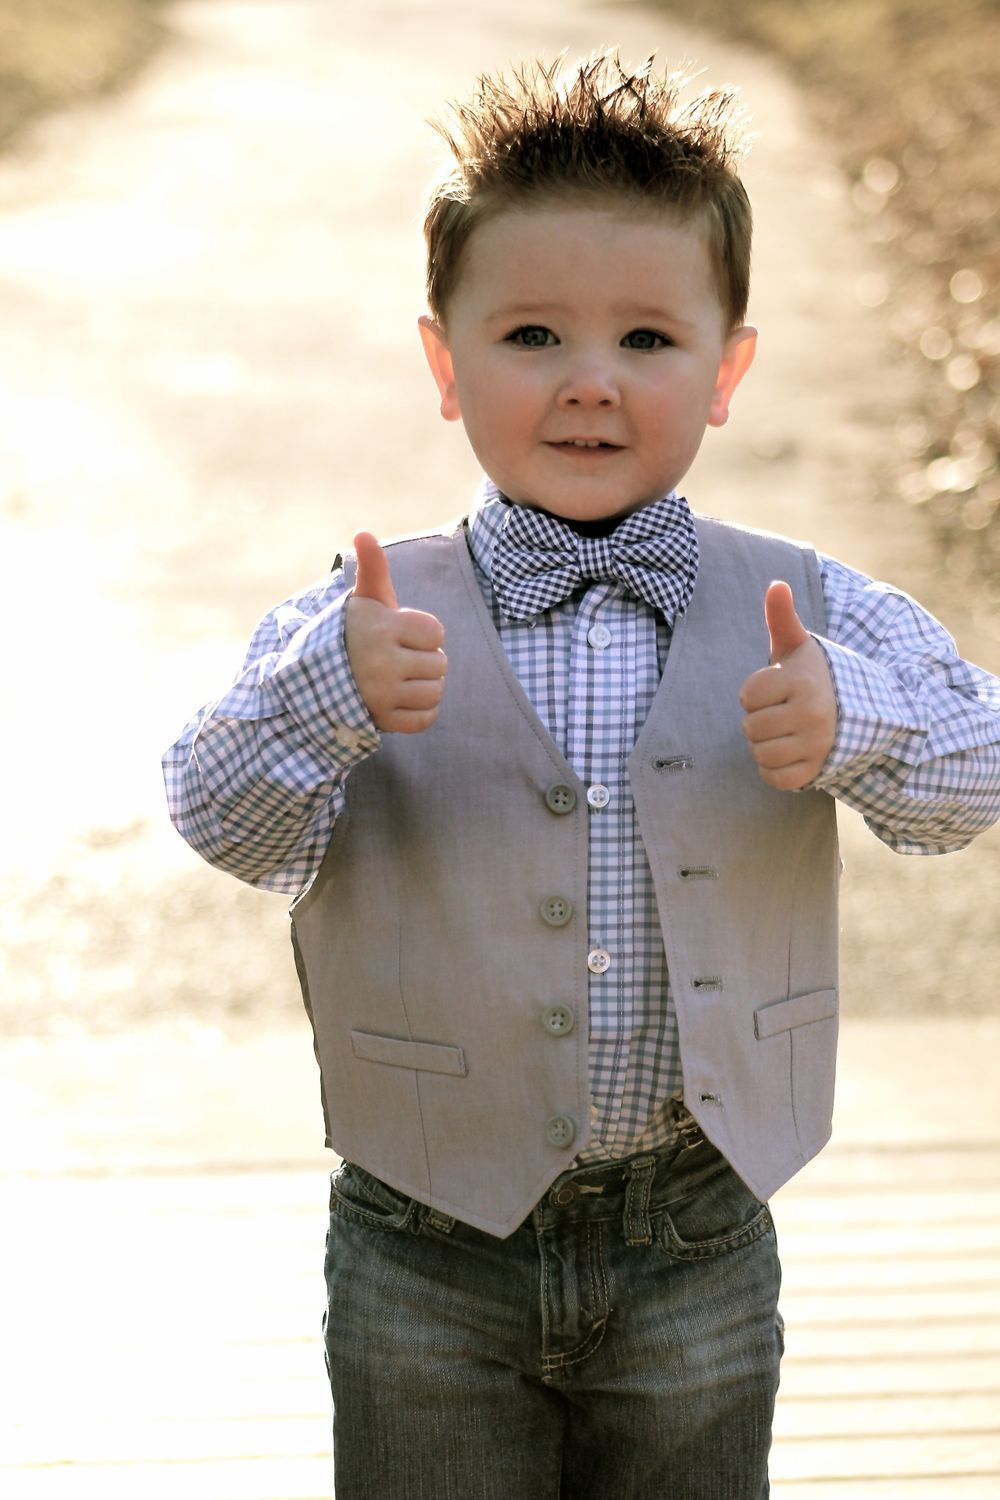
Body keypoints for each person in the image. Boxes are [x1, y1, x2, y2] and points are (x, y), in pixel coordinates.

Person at [163, 52, 1000, 1500]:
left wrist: (856, 720)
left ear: (729, 368)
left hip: (698, 1236)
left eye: (651, 341)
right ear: (444, 363)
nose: (592, 383)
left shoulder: (810, 609)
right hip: (424, 1241)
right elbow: (215, 813)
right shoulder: (366, 614)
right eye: (534, 333)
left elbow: (979, 777)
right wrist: (327, 701)